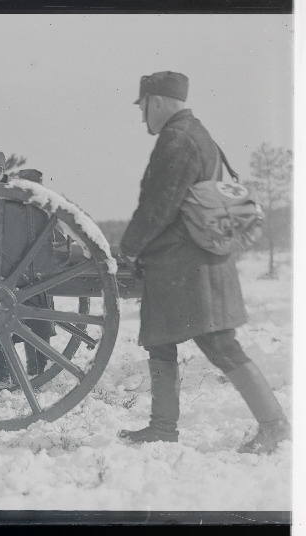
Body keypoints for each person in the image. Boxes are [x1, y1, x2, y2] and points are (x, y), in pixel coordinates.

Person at [118, 71, 290, 454]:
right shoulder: (196, 133)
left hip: (188, 266)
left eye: (143, 107)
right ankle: (162, 427)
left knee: (219, 343)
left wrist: (127, 248)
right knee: (160, 341)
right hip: (187, 263)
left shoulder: (177, 138)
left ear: (157, 101)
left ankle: (275, 425)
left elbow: (158, 206)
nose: (142, 116)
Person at [0, 149, 55, 386]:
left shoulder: (20, 194)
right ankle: (3, 371)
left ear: (0, 172)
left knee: (38, 317)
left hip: (27, 267)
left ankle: (39, 367)